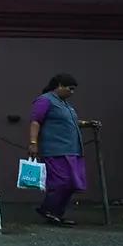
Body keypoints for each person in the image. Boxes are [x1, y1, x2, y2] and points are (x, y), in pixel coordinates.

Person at [28, 73, 87, 225]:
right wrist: (33, 142)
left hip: (72, 150)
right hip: (55, 150)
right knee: (61, 182)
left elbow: (69, 122)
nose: (72, 92)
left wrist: (87, 123)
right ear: (59, 85)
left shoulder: (65, 104)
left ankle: (56, 213)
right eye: (70, 88)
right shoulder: (45, 100)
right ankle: (48, 209)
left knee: (73, 183)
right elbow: (35, 121)